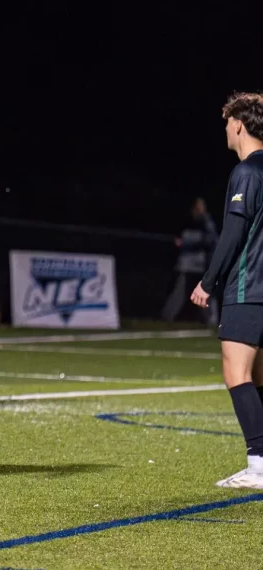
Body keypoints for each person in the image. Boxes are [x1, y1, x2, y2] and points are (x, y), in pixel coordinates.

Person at [190, 91, 263, 489]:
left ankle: (259, 465)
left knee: (237, 373)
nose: (225, 130)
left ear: (238, 124)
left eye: (227, 123)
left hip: (248, 286)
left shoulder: (247, 172)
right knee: (259, 376)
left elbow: (234, 232)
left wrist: (208, 281)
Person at [162, 197, 219, 325]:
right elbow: (180, 238)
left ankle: (212, 319)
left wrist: (194, 239)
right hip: (187, 263)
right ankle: (167, 316)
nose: (200, 209)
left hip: (202, 264)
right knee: (180, 291)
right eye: (198, 206)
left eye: (202, 206)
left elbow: (212, 238)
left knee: (205, 291)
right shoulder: (187, 219)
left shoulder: (206, 221)